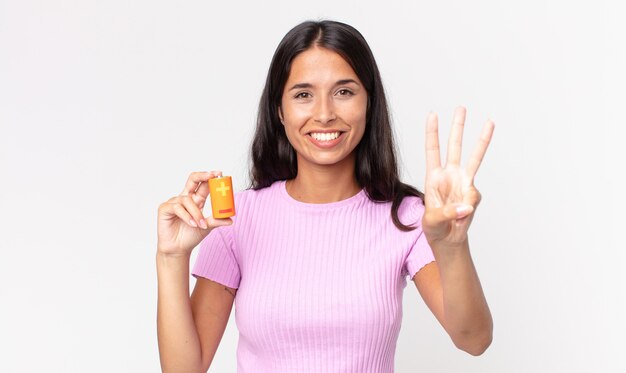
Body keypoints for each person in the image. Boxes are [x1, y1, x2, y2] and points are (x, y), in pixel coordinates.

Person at [156, 20, 494, 372]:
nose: (324, 114)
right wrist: (170, 257)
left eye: (344, 92)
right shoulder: (234, 219)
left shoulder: (407, 217)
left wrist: (453, 247)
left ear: (369, 103)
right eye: (303, 94)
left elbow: (474, 339)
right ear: (280, 111)